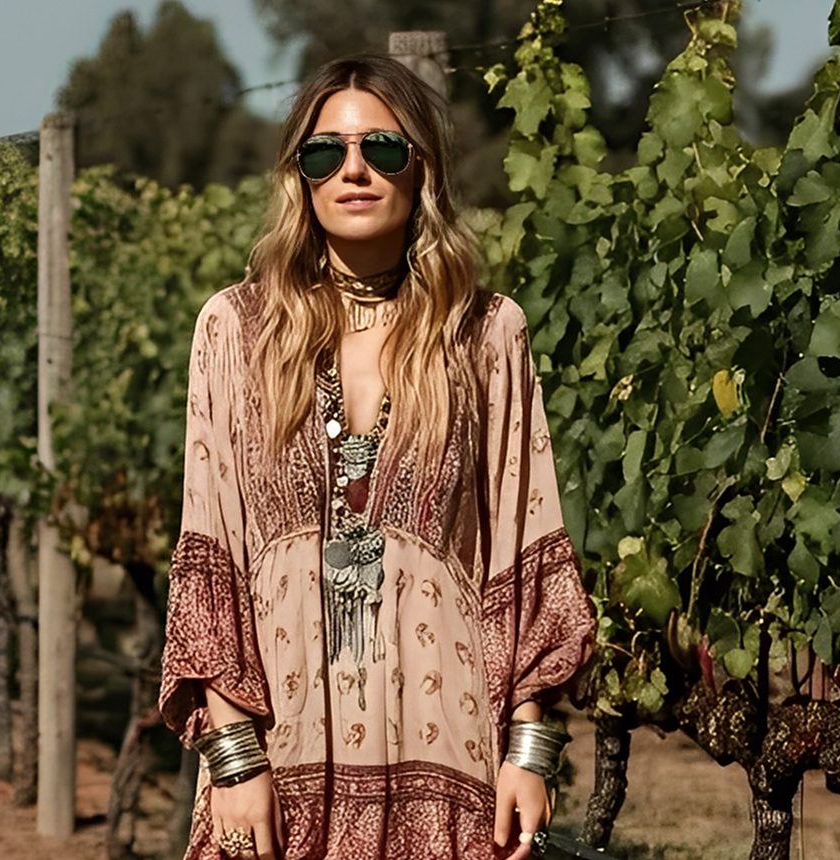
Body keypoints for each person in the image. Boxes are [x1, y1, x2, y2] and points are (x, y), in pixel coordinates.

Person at [158, 54, 595, 860]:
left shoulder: (488, 334)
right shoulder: (235, 330)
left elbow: (520, 548)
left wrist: (527, 752)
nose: (354, 170)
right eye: (326, 152)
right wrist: (232, 756)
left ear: (420, 167)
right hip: (279, 758)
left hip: (446, 754)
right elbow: (210, 546)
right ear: (301, 175)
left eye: (382, 149)